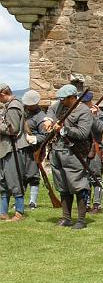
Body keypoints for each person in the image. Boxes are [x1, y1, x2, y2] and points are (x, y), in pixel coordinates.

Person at [47, 84, 94, 229]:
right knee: (63, 186)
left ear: (72, 98)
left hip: (75, 153)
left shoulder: (84, 111)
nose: (61, 101)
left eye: (64, 99)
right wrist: (48, 120)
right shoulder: (60, 106)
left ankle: (81, 220)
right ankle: (66, 218)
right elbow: (50, 111)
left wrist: (64, 129)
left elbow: (83, 133)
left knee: (78, 185)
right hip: (57, 151)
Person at [0, 83, 31, 221]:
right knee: (3, 182)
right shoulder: (8, 106)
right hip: (5, 149)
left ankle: (19, 212)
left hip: (13, 148)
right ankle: (3, 212)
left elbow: (12, 130)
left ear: (3, 94)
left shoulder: (13, 106)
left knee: (14, 180)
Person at [80, 91, 103, 214]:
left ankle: (97, 205)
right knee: (84, 178)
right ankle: (85, 204)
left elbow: (99, 128)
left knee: (96, 178)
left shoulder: (101, 115)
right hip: (82, 149)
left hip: (95, 148)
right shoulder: (80, 114)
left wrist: (92, 116)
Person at [22, 90, 50, 209]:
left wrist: (32, 138)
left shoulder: (41, 117)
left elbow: (44, 136)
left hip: (34, 150)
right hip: (22, 148)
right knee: (21, 175)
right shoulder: (24, 112)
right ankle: (20, 201)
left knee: (33, 176)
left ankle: (33, 202)